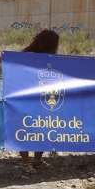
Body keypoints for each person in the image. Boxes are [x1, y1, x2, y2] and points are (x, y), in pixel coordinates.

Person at [20, 29, 59, 168]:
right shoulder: (49, 58)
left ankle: (27, 160)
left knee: (25, 127)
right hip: (40, 98)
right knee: (42, 127)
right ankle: (35, 160)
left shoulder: (24, 56)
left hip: (26, 98)